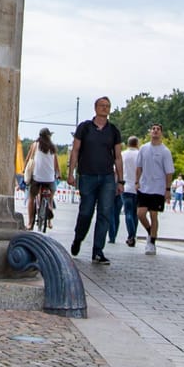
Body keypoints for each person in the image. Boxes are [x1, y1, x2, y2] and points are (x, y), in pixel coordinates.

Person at [68, 97, 123, 265]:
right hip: (87, 176)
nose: (104, 109)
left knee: (105, 213)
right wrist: (71, 173)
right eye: (102, 106)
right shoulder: (84, 128)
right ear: (95, 108)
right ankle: (78, 238)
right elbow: (75, 151)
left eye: (107, 106)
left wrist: (120, 180)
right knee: (86, 211)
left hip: (107, 177)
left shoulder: (113, 131)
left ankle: (98, 251)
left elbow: (118, 157)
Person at [135, 124, 175, 253]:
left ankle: (152, 242)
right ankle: (150, 231)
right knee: (140, 213)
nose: (155, 131)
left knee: (153, 214)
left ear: (161, 133)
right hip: (144, 186)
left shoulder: (165, 151)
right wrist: (137, 181)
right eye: (153, 129)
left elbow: (169, 171)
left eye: (158, 129)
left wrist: (167, 190)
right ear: (150, 132)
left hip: (158, 187)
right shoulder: (143, 148)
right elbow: (139, 166)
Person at [24, 129, 59, 228]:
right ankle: (49, 220)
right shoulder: (53, 148)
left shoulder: (35, 145)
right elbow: (56, 163)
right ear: (49, 136)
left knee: (31, 197)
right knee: (51, 197)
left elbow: (28, 158)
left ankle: (30, 223)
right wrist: (58, 174)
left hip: (37, 177)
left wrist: (24, 169)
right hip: (50, 178)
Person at [118, 134, 141, 246]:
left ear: (128, 144)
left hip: (126, 187)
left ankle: (131, 235)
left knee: (128, 212)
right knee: (135, 213)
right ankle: (133, 235)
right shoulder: (140, 155)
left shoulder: (122, 155)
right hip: (138, 187)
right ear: (137, 144)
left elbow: (116, 169)